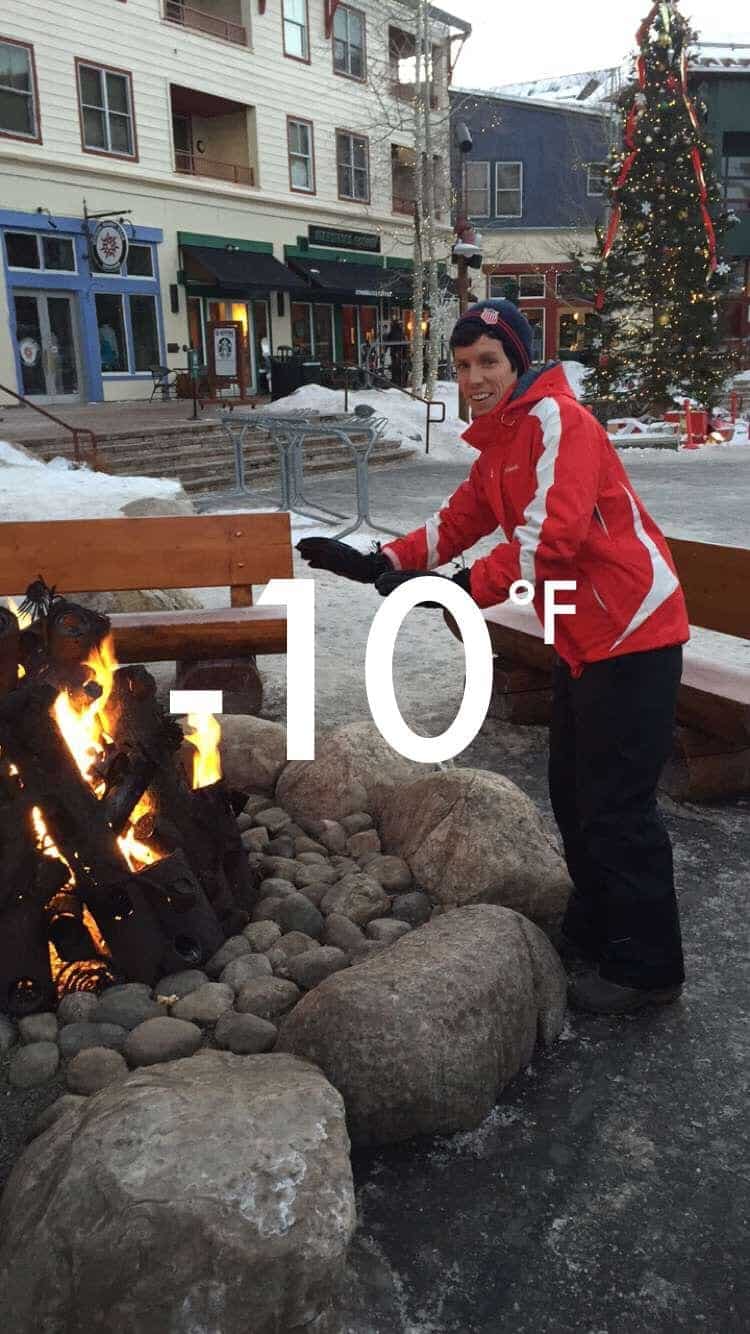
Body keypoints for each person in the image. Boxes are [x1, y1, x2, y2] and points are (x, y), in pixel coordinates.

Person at [297, 299, 689, 1016]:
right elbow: (457, 520)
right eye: (464, 364)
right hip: (582, 638)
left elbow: (551, 542)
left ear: (518, 361)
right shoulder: (503, 439)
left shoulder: (558, 423)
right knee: (574, 796)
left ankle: (648, 966)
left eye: (489, 362)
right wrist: (375, 560)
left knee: (616, 809)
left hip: (635, 634)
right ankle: (602, 925)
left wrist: (453, 589)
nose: (474, 377)